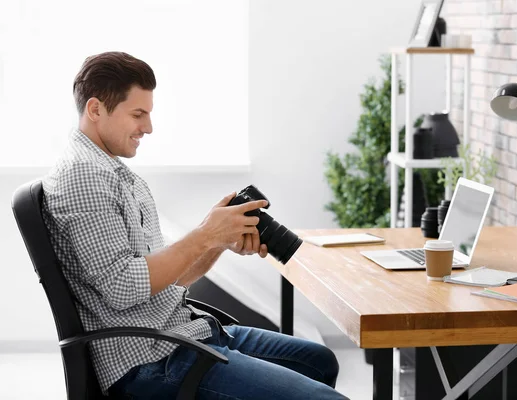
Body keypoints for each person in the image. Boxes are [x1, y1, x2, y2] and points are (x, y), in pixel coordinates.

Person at [42, 51, 348, 399]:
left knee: (319, 361)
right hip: (152, 361)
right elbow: (123, 287)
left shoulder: (112, 173)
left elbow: (166, 279)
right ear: (96, 110)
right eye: (138, 114)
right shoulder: (83, 176)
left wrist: (217, 241)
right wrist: (205, 234)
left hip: (181, 332)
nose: (148, 127)